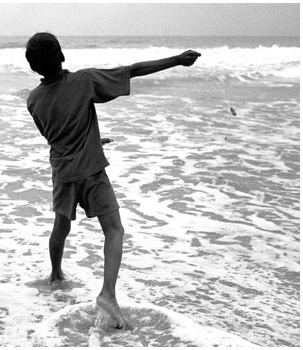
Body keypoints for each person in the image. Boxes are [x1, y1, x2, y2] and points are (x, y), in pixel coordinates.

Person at [25, 32, 201, 330]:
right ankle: (107, 293)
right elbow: (132, 70)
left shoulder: (33, 100)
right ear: (63, 56)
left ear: (33, 67)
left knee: (61, 227)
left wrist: (93, 140)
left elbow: (54, 136)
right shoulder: (83, 81)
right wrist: (176, 60)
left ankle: (55, 275)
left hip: (63, 173)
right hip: (92, 171)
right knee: (114, 230)